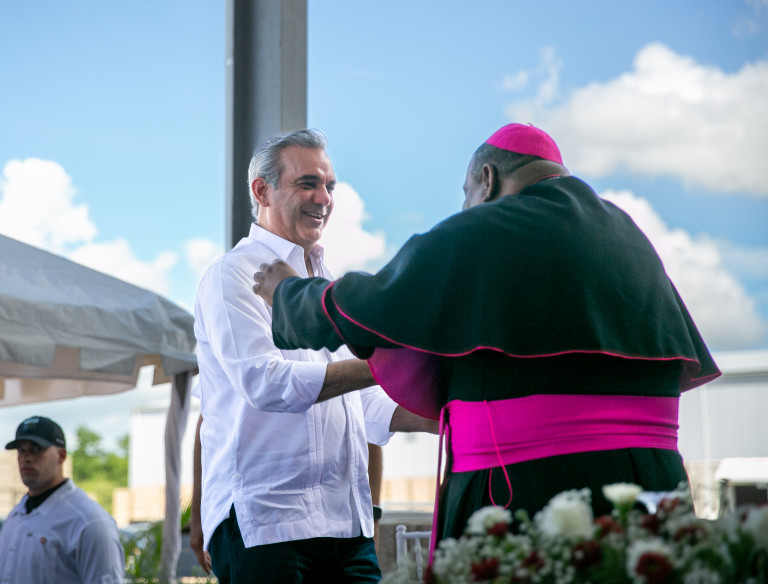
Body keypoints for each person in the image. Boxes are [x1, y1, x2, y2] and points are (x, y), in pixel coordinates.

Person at [252, 123, 721, 555]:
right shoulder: (628, 235)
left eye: (466, 193)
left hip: (525, 489)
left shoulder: (485, 227)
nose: (465, 208)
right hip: (651, 487)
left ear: (488, 179)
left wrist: (289, 292)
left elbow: (371, 305)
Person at [194, 128, 436, 583]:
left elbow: (361, 401)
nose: (324, 198)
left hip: (346, 524)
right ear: (261, 191)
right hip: (266, 523)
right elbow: (265, 382)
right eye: (308, 183)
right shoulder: (231, 275)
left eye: (330, 186)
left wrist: (436, 415)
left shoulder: (327, 280)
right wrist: (383, 364)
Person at [0, 416, 125, 584]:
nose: (26, 458)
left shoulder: (89, 522)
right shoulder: (15, 516)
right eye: (21, 450)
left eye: (36, 449)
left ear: (61, 456)